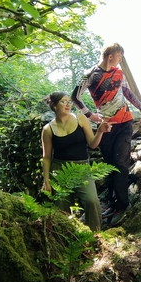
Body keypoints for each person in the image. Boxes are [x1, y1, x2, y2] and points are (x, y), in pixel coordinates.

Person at [71, 42, 141, 226]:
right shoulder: (91, 75)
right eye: (119, 56)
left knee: (120, 162)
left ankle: (123, 205)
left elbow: (127, 92)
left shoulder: (119, 73)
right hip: (106, 126)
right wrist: (91, 116)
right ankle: (111, 204)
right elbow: (74, 96)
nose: (120, 60)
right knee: (109, 165)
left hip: (125, 122)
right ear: (111, 55)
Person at [41, 91, 113, 232]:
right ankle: (64, 239)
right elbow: (46, 157)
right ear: (54, 106)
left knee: (92, 201)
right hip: (60, 170)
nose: (68, 105)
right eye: (63, 101)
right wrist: (47, 180)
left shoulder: (80, 118)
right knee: (62, 207)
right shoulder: (47, 130)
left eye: (69, 101)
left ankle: (95, 236)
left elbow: (92, 144)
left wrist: (100, 131)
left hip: (82, 168)